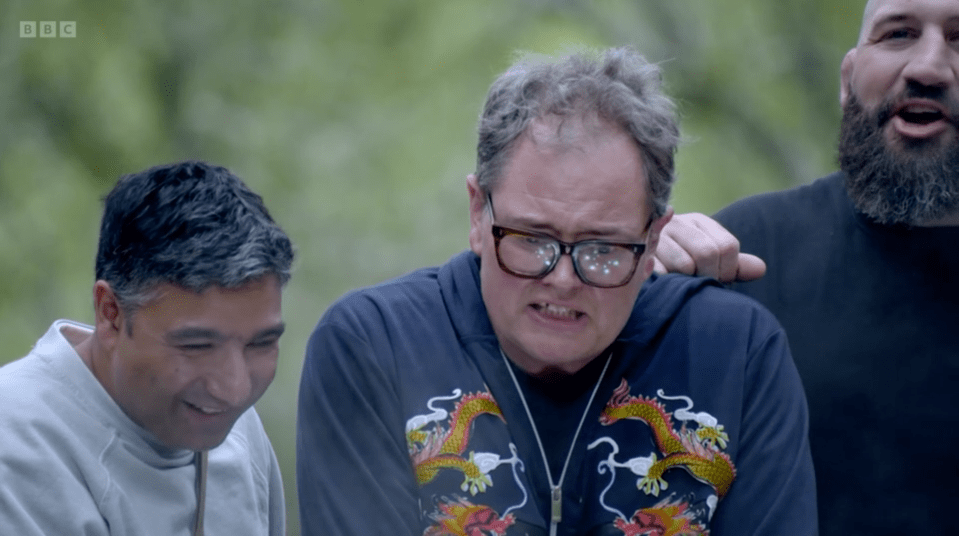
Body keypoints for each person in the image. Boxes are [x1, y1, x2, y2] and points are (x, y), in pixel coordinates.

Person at [297, 47, 816, 535]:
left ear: (653, 237)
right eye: (531, 239)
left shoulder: (732, 353)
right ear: (479, 212)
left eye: (603, 248)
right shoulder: (375, 345)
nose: (563, 280)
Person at [654, 0, 959, 533]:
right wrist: (636, 291)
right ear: (847, 80)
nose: (928, 67)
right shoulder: (739, 264)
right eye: (898, 33)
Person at [0, 161, 294, 535]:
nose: (234, 390)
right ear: (111, 315)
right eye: (198, 346)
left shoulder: (236, 429)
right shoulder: (14, 447)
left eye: (261, 343)